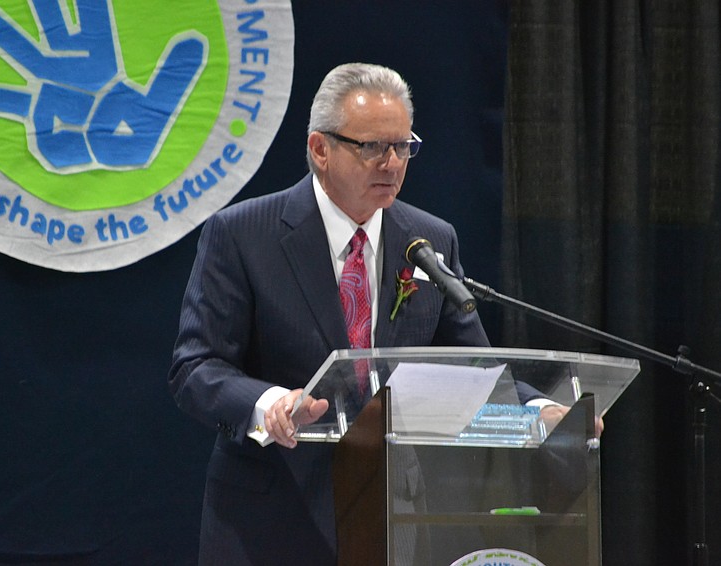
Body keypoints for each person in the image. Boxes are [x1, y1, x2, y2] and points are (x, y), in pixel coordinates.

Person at [168, 62, 563, 566]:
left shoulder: (429, 240)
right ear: (320, 150)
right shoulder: (243, 235)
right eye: (373, 147)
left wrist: (539, 410)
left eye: (403, 146)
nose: (392, 163)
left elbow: (474, 368)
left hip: (391, 513)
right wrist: (269, 404)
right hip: (269, 518)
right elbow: (194, 367)